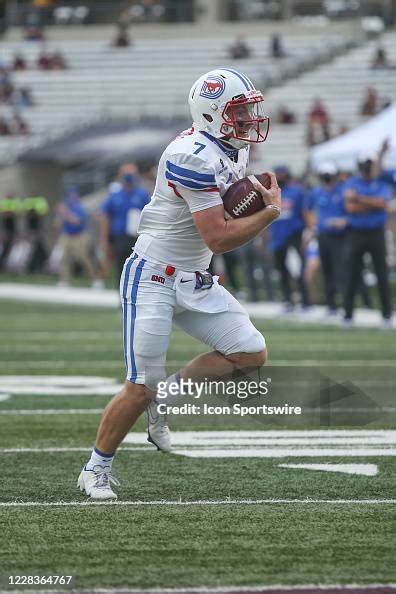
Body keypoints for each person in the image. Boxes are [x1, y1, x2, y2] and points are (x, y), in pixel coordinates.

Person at [77, 68, 281, 500]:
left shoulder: (230, 149)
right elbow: (218, 236)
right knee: (139, 385)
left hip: (196, 278)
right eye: (240, 111)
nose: (249, 119)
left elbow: (221, 223)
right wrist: (267, 213)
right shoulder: (191, 155)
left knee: (249, 352)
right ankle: (95, 468)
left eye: (248, 109)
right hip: (153, 276)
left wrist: (250, 204)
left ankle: (166, 399)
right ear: (212, 114)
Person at [342, 150, 393, 327]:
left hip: (376, 233)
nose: (366, 168)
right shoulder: (352, 183)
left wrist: (359, 199)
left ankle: (387, 315)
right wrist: (372, 204)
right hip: (357, 233)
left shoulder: (381, 183)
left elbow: (383, 204)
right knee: (352, 273)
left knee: (382, 274)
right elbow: (350, 208)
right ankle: (347, 315)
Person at [99, 164, 150, 284]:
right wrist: (104, 239)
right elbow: (104, 215)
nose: (128, 177)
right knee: (120, 270)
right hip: (119, 238)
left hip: (136, 239)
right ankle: (121, 300)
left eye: (131, 174)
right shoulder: (115, 194)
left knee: (137, 271)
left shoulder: (142, 195)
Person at [307, 162, 348, 313]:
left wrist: (343, 221)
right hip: (323, 235)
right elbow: (309, 209)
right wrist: (313, 226)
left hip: (339, 236)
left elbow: (349, 213)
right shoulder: (316, 192)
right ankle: (332, 305)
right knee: (327, 269)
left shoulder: (341, 191)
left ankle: (344, 302)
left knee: (340, 269)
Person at [268, 165, 310, 310]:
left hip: (294, 236)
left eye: (282, 174)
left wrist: (307, 232)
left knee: (298, 269)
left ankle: (305, 301)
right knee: (282, 270)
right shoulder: (271, 193)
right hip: (278, 237)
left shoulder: (297, 192)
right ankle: (288, 300)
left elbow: (304, 212)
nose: (279, 177)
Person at [57, 185, 100, 287]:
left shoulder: (79, 207)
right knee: (64, 258)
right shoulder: (66, 206)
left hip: (79, 235)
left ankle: (95, 279)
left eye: (73, 194)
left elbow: (76, 221)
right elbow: (59, 223)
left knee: (83, 258)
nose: (71, 197)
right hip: (67, 234)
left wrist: (65, 213)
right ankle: (65, 281)